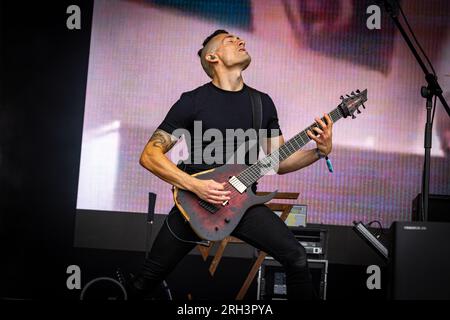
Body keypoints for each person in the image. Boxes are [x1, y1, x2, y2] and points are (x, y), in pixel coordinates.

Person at [129, 29, 333, 300]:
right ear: (212, 57)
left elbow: (280, 162)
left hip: (242, 202)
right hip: (195, 205)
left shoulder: (262, 103)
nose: (241, 41)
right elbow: (150, 155)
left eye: (240, 39)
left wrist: (319, 152)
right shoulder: (192, 101)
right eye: (230, 40)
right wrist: (196, 186)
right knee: (145, 282)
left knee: (296, 257)